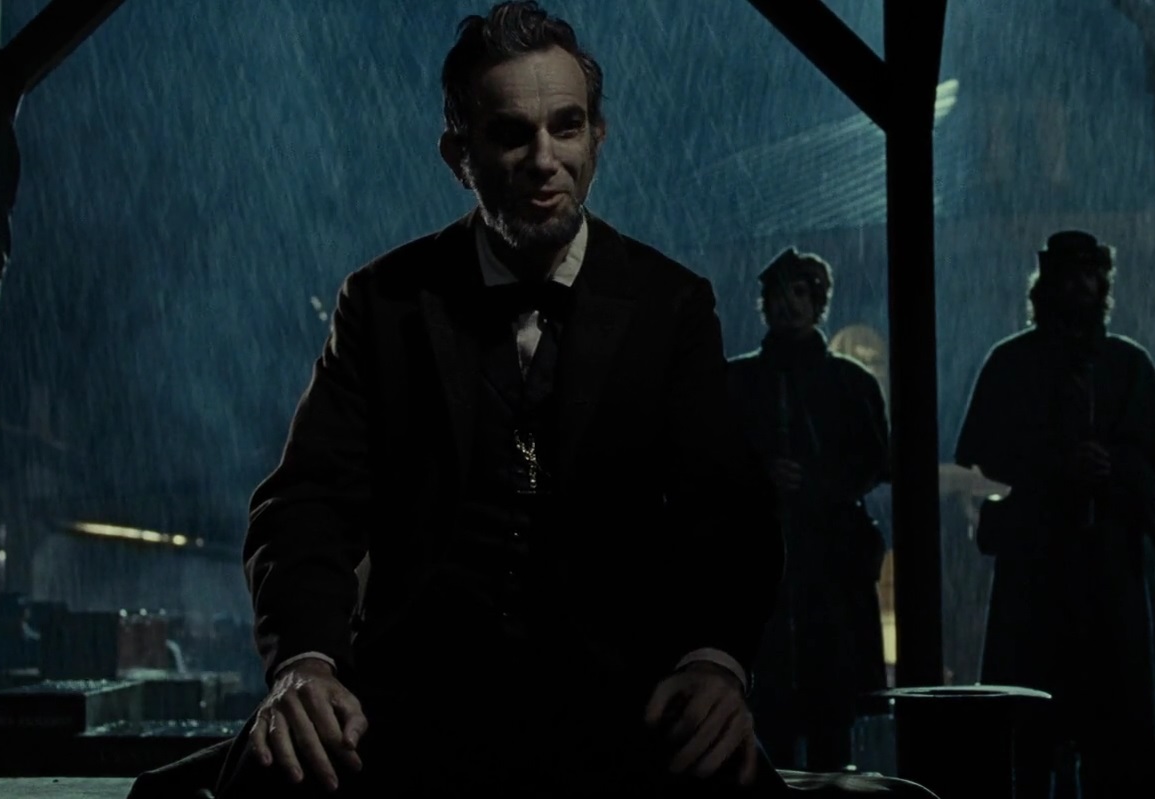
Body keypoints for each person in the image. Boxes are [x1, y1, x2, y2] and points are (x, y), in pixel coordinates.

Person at [213, 3, 784, 797]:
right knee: (272, 774)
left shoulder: (671, 305)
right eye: (512, 134)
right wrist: (305, 663)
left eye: (566, 127)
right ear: (459, 155)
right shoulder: (383, 302)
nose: (545, 159)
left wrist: (714, 662)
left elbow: (725, 509)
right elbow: (306, 503)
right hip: (412, 702)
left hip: (619, 701)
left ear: (598, 138)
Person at [953, 231, 1155, 799]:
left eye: (1089, 275)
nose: (1080, 286)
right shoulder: (1014, 363)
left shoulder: (1126, 364)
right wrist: (1059, 463)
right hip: (1037, 561)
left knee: (1113, 735)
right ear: (1047, 286)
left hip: (1107, 561)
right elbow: (989, 451)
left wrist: (1113, 466)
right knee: (1028, 734)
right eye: (1069, 276)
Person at [725, 249, 890, 772]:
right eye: (779, 294)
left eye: (799, 293)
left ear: (818, 303)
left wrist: (817, 483)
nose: (788, 305)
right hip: (759, 561)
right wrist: (761, 478)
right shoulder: (737, 382)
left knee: (829, 718)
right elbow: (711, 459)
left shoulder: (850, 384)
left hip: (829, 562)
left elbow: (875, 461)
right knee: (766, 714)